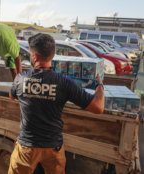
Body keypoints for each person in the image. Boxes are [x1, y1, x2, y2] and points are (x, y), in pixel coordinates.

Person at [8, 33, 104, 174]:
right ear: (52, 55)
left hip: (26, 147)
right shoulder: (64, 82)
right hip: (53, 147)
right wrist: (100, 85)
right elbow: (98, 107)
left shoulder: (20, 79)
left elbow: (11, 96)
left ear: (34, 56)